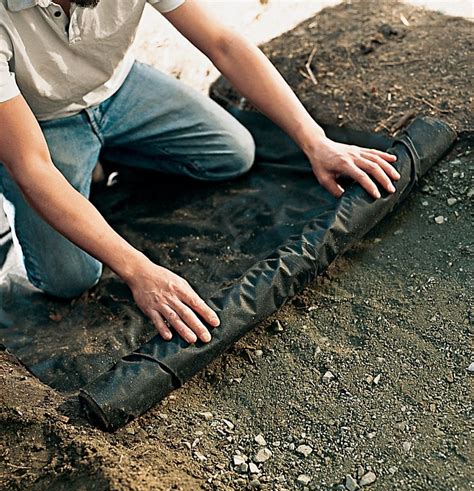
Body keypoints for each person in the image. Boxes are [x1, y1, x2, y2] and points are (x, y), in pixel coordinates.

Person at [0, 0, 400, 345]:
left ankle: (103, 158)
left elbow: (222, 43)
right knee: (70, 278)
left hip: (118, 89)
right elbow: (33, 167)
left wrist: (316, 141)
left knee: (232, 154)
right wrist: (140, 271)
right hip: (37, 123)